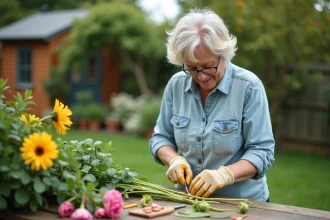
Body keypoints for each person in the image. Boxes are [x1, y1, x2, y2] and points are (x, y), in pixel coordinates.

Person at [149, 8, 275, 202]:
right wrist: (173, 159)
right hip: (187, 201)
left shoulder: (249, 87)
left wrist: (224, 175)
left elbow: (262, 152)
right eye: (192, 68)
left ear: (224, 54)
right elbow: (160, 138)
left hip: (243, 204)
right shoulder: (176, 84)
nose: (201, 76)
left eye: (208, 66)